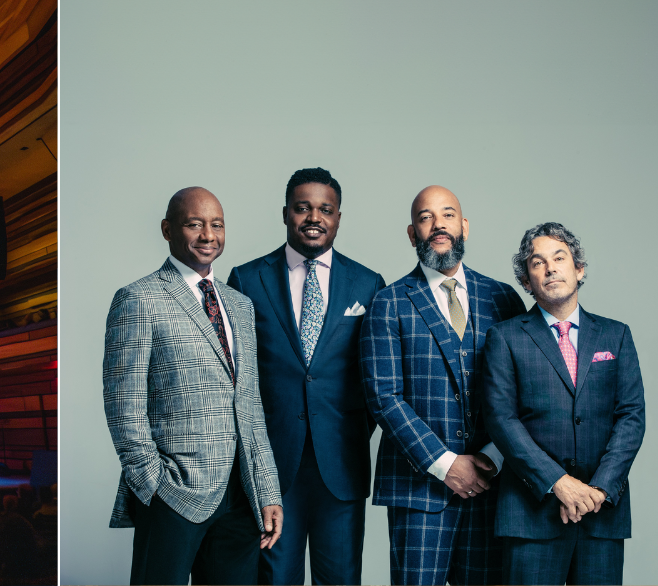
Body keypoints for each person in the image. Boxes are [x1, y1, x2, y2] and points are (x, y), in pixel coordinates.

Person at [103, 186, 282, 585]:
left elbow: (250, 406)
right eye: (194, 224)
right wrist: (153, 484)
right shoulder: (138, 299)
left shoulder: (240, 305)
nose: (208, 235)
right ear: (167, 229)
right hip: (172, 492)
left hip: (240, 496)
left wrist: (267, 490)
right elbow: (122, 404)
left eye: (216, 225)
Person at [226, 167, 385, 585]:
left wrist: (348, 430)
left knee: (341, 579)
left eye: (325, 209)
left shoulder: (369, 284)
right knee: (275, 578)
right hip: (273, 466)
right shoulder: (245, 279)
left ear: (337, 218)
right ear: (285, 214)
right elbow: (239, 378)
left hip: (342, 463)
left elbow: (374, 380)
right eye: (303, 208)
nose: (314, 217)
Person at [361, 185, 526, 585]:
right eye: (425, 217)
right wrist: (446, 464)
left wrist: (492, 457)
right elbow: (384, 397)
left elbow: (523, 392)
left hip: (492, 485)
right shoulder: (389, 302)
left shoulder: (503, 298)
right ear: (412, 233)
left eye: (448, 215)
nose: (438, 225)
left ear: (464, 225)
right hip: (418, 489)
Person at [483, 223, 645, 585]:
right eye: (537, 263)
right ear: (527, 280)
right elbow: (501, 419)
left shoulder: (616, 335)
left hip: (601, 514)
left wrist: (600, 489)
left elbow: (631, 416)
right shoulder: (505, 337)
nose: (551, 268)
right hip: (531, 513)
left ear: (579, 269)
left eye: (560, 258)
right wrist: (558, 482)